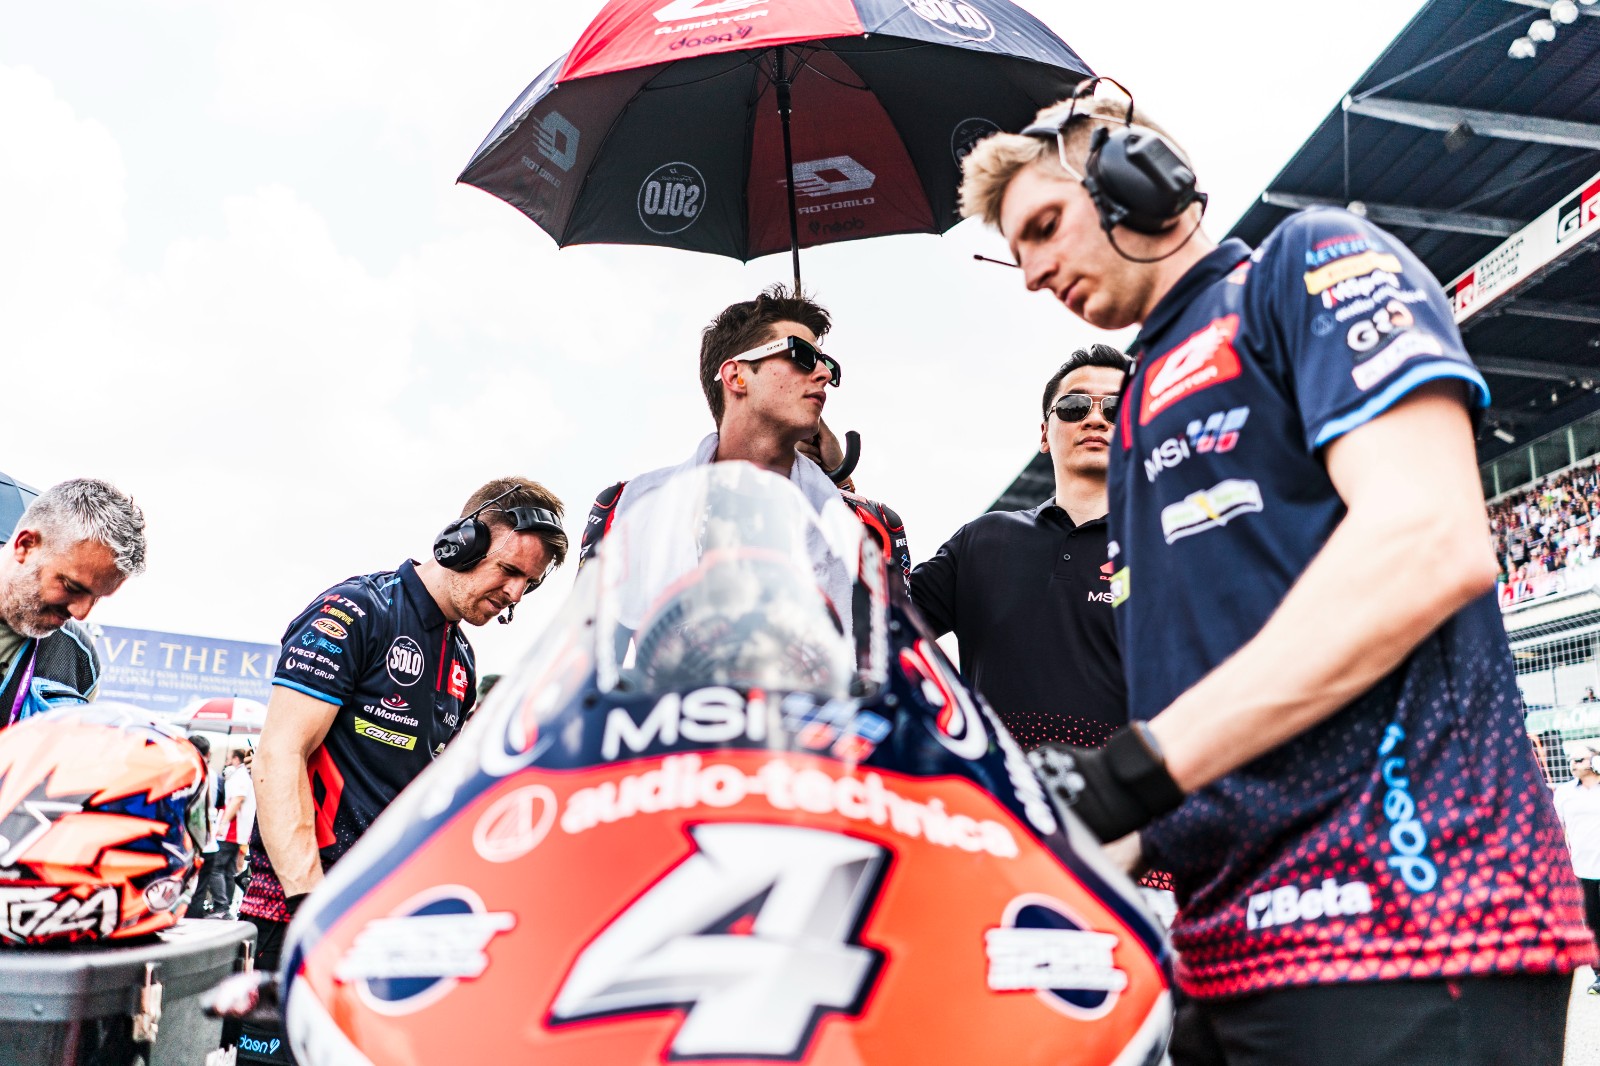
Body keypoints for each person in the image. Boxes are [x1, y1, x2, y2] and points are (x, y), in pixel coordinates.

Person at [959, 80, 1594, 1065]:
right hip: (1225, 943)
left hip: (1411, 918)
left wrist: (1125, 775)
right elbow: (1206, 707)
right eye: (1017, 253)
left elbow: (1428, 540)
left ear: (1139, 178)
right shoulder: (1134, 413)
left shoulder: (1307, 262)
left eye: (1044, 226)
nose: (1035, 272)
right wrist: (1048, 842)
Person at [240, 477, 567, 976]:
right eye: (508, 570)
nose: (515, 593)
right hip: (301, 914)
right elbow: (278, 755)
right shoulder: (356, 611)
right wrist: (311, 908)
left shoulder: (462, 659)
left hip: (384, 920)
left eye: (530, 583)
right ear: (463, 543)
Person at [577, 285, 911, 588]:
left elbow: (884, 633)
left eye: (827, 364)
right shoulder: (627, 508)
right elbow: (591, 635)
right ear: (736, 376)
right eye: (803, 356)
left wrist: (840, 486)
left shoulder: (877, 526)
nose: (823, 373)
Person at [910, 344, 1128, 750]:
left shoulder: (1170, 552)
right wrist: (831, 485)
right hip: (997, 781)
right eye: (1075, 406)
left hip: (1119, 785)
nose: (1096, 418)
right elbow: (877, 620)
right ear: (1044, 434)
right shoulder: (984, 539)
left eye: (1117, 408)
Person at [1, 478, 146, 726]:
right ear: (25, 546)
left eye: (96, 598)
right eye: (72, 587)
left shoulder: (81, 658)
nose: (81, 613)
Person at [1556, 745, 1600, 994]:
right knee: (1593, 923)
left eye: (1580, 759)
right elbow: (1559, 829)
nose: (1573, 764)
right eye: (1571, 760)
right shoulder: (1564, 793)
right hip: (1582, 868)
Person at [207, 745, 256, 919]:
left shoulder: (241, 776)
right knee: (228, 869)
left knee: (215, 867)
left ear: (236, 759)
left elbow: (237, 800)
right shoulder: (243, 775)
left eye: (229, 757)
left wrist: (223, 823)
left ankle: (221, 906)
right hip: (236, 830)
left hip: (232, 829)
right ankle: (224, 907)